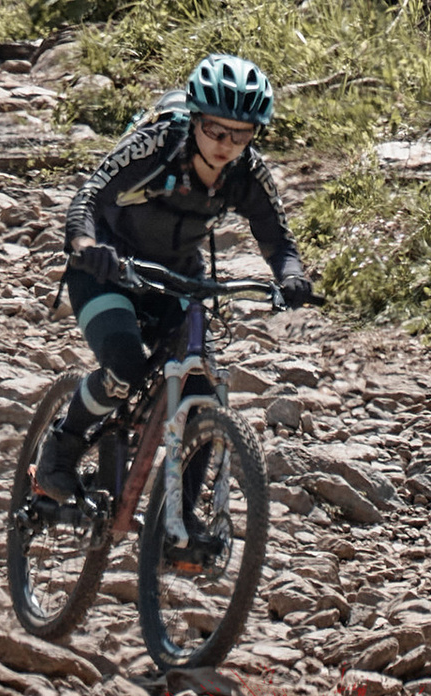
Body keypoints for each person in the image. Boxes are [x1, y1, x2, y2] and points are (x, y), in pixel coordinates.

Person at [31, 53, 315, 504]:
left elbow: (278, 239)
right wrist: (86, 245)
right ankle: (61, 447)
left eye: (241, 134)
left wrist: (291, 276)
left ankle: (183, 524)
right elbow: (89, 196)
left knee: (202, 395)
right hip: (109, 269)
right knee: (124, 367)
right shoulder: (156, 145)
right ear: (195, 119)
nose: (226, 144)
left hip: (178, 278)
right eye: (215, 130)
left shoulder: (247, 171)